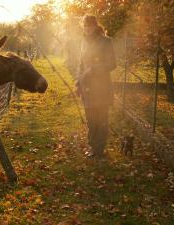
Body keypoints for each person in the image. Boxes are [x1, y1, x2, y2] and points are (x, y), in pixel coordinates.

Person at [76, 15, 117, 158]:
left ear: (95, 25)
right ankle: (92, 146)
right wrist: (78, 82)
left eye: (90, 25)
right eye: (85, 26)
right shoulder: (83, 42)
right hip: (87, 87)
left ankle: (99, 149)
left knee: (101, 119)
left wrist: (93, 69)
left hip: (101, 87)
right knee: (91, 119)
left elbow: (112, 64)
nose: (87, 28)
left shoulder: (106, 41)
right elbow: (80, 64)